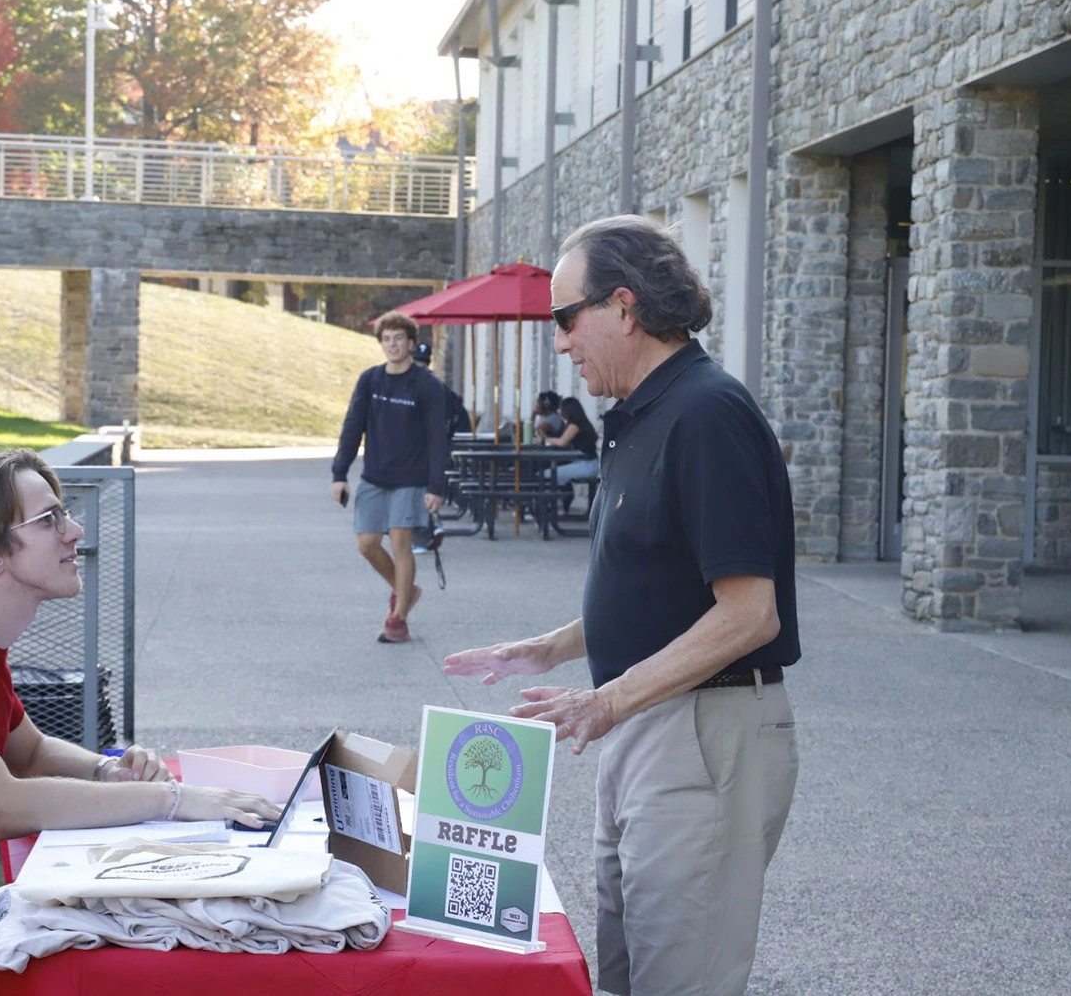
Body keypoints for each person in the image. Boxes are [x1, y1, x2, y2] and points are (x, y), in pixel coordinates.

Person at [444, 214, 800, 996]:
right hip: (648, 721)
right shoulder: (641, 415)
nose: (561, 342)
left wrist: (605, 701)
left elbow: (749, 614)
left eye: (565, 318)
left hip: (701, 729)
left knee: (680, 978)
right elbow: (660, 587)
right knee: (627, 973)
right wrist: (547, 648)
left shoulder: (707, 414)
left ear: (625, 307)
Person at [0, 449, 280, 979]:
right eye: (49, 519)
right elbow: (1, 807)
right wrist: (173, 800)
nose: (74, 530)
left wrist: (105, 770)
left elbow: (28, 752)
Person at [332, 312, 448, 643]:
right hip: (374, 477)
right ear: (381, 343)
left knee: (400, 542)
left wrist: (436, 486)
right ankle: (406, 590)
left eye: (399, 338)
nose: (392, 345)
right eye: (386, 339)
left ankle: (398, 620)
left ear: (411, 343)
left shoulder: (427, 385)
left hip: (410, 478)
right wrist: (339, 473)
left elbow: (437, 438)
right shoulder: (370, 380)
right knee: (367, 544)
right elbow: (353, 427)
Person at [411, 340, 472, 436]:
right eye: (417, 364)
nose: (420, 368)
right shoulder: (404, 388)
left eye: (423, 364)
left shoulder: (440, 389)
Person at [542, 395, 600, 486]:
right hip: (589, 464)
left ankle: (555, 499)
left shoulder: (575, 425)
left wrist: (545, 439)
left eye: (561, 409)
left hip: (586, 466)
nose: (559, 412)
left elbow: (562, 442)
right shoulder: (581, 422)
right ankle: (560, 498)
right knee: (557, 477)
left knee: (546, 474)